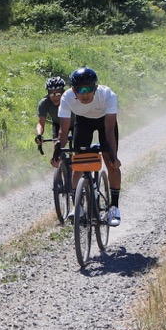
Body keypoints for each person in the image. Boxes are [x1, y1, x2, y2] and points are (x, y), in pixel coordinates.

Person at [54, 67, 123, 226]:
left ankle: (114, 207)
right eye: (80, 90)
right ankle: (77, 205)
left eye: (88, 89)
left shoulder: (107, 95)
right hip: (83, 121)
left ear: (95, 88)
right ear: (73, 90)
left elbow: (109, 129)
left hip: (104, 121)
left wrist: (114, 155)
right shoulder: (67, 97)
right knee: (78, 162)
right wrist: (57, 152)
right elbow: (63, 131)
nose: (84, 94)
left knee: (111, 163)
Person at [35, 75, 68, 149]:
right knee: (58, 148)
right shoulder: (44, 103)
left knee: (79, 148)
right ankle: (61, 159)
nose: (55, 97)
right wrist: (39, 135)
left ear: (63, 92)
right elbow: (40, 123)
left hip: (75, 124)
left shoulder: (70, 98)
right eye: (52, 94)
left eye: (58, 94)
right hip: (58, 124)